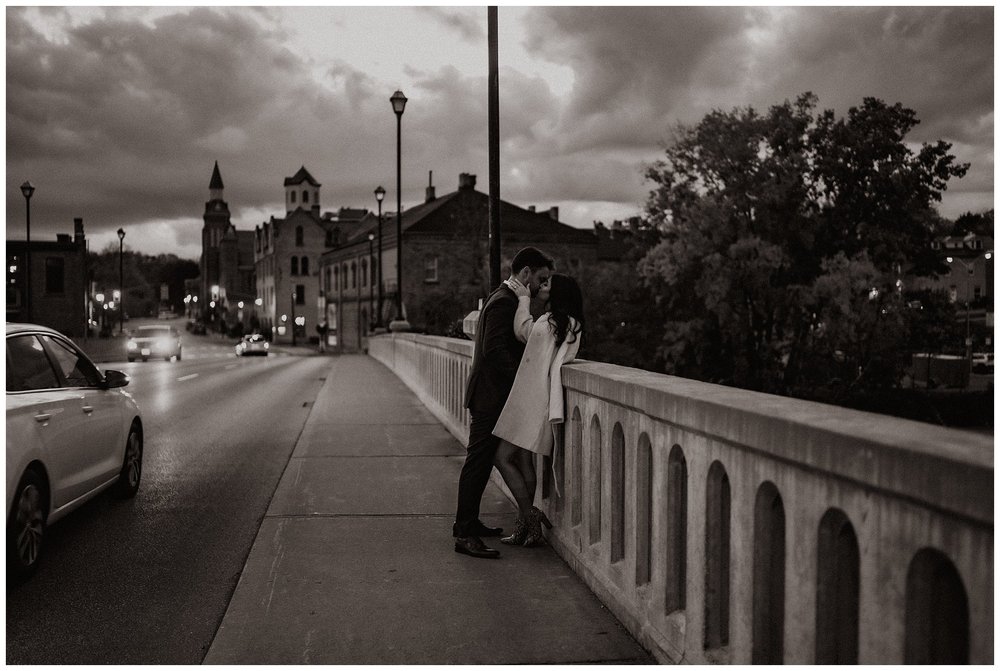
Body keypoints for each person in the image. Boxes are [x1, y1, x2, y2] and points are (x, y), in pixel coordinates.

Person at [454, 247, 554, 559]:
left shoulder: (504, 298)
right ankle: (464, 533)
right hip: (489, 397)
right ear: (526, 274)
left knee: (484, 463)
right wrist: (524, 380)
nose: (542, 284)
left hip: (491, 395)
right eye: (540, 278)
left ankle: (472, 523)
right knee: (477, 463)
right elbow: (494, 351)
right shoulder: (504, 302)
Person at [493, 273, 584, 547]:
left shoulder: (552, 322)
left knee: (501, 457)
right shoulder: (569, 324)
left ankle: (529, 516)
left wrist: (523, 299)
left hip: (533, 398)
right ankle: (525, 527)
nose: (541, 287)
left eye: (547, 285)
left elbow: (523, 330)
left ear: (558, 294)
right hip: (537, 397)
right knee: (522, 459)